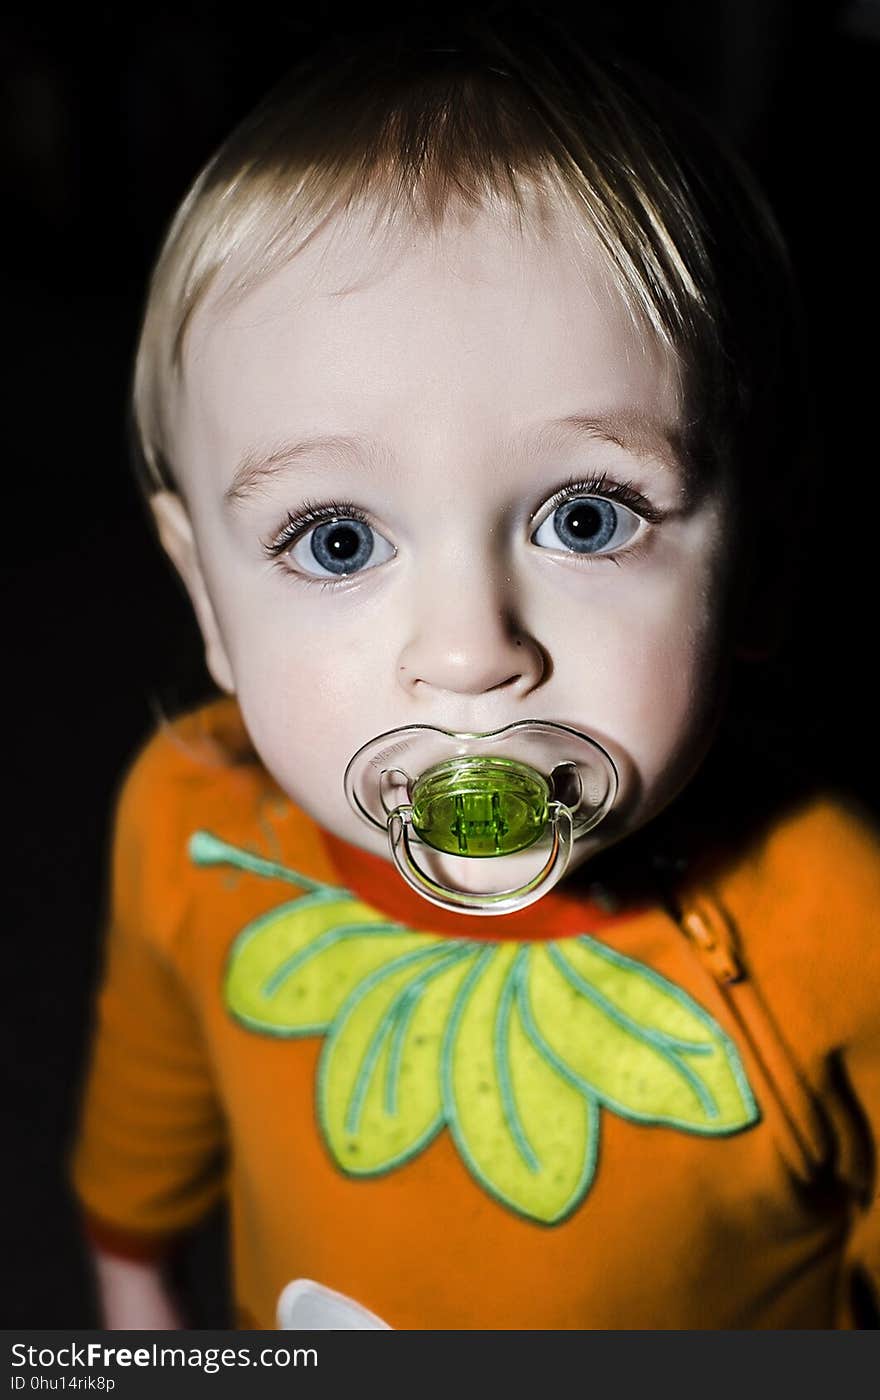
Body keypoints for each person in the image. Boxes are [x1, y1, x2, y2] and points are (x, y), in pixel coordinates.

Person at [69, 7, 880, 1329]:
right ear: (203, 591)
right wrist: (133, 1292)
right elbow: (145, 1117)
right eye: (336, 540)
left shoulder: (839, 922)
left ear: (763, 561)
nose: (468, 653)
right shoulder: (184, 829)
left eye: (586, 516)